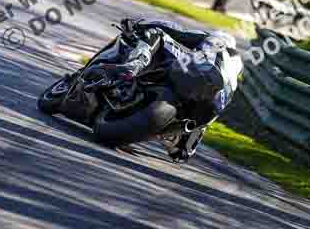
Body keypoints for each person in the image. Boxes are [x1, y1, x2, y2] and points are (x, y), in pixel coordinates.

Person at [88, 18, 243, 163]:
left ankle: (137, 63)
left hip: (190, 84)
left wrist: (138, 26)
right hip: (205, 110)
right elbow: (183, 153)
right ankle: (174, 134)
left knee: (158, 34)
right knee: (182, 152)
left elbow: (176, 32)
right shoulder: (232, 74)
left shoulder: (212, 41)